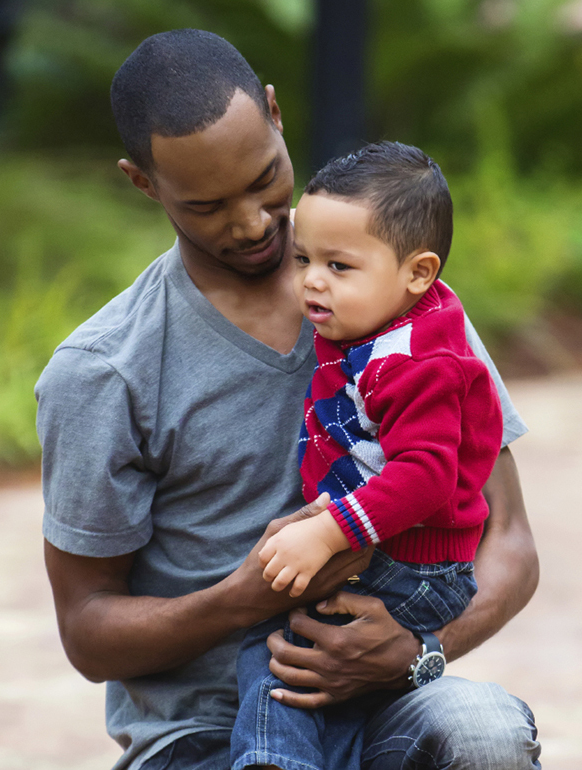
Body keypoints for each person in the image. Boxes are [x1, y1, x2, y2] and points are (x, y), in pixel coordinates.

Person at [35, 28, 541, 770]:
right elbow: (87, 629)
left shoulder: (402, 292)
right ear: (143, 183)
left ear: (275, 115)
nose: (250, 223)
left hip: (390, 700)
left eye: (266, 180)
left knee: (486, 732)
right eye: (206, 206)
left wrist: (415, 653)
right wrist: (247, 596)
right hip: (202, 735)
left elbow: (512, 541)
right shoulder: (105, 370)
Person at [231, 141, 504, 770]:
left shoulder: (418, 362)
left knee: (277, 640)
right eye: (303, 259)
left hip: (411, 567)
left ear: (417, 273)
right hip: (398, 557)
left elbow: (429, 475)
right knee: (302, 644)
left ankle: (277, 761)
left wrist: (328, 533)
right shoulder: (382, 322)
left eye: (339, 266)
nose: (311, 281)